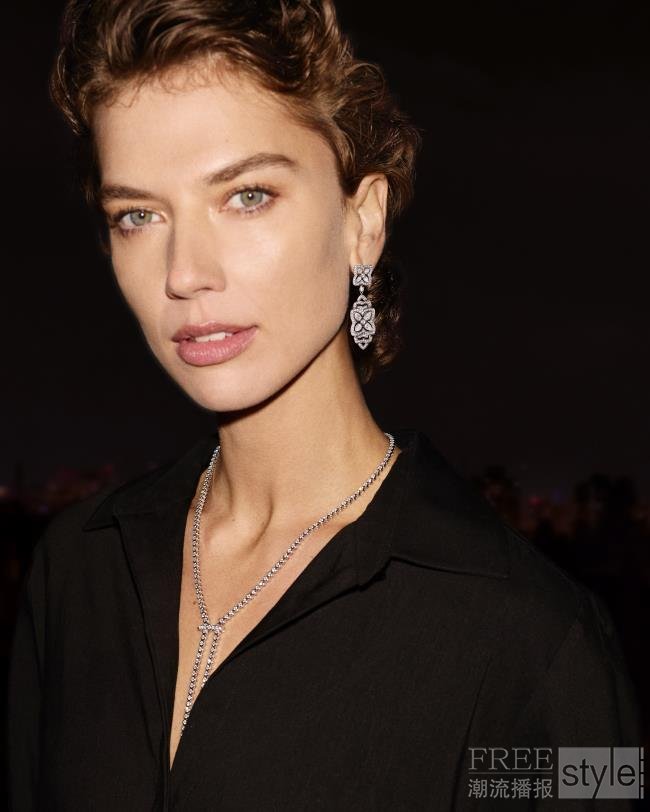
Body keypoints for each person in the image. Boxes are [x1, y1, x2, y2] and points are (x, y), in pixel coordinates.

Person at [8, 1, 644, 810]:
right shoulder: (77, 568)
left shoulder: (541, 638)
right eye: (138, 215)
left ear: (362, 222)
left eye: (247, 196)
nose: (184, 272)